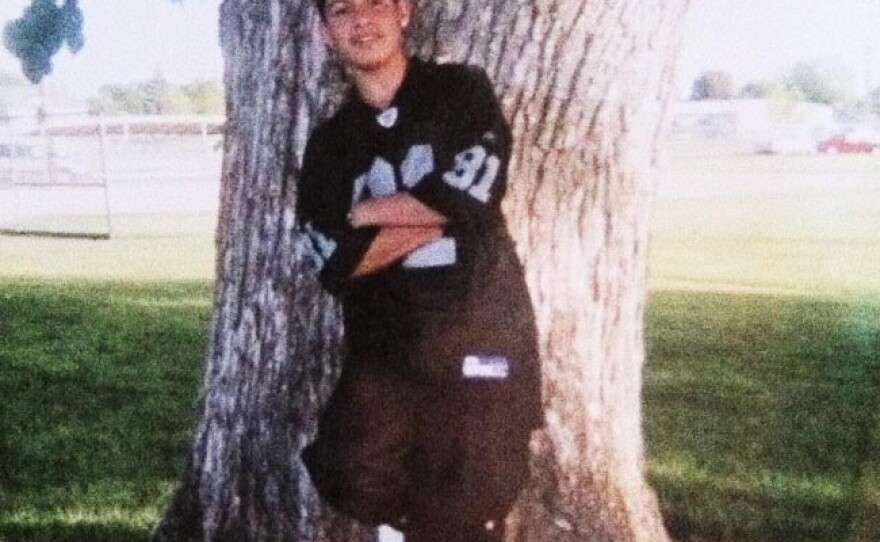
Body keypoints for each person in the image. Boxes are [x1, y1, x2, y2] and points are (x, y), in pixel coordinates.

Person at [298, 0, 542, 540]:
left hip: (482, 332)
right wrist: (442, 213)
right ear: (324, 33)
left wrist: (361, 213)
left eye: (376, 4)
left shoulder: (460, 93)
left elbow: (477, 190)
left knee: (476, 493)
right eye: (342, 11)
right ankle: (408, 528)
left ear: (404, 12)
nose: (362, 20)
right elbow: (334, 261)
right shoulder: (330, 147)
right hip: (391, 352)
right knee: (346, 465)